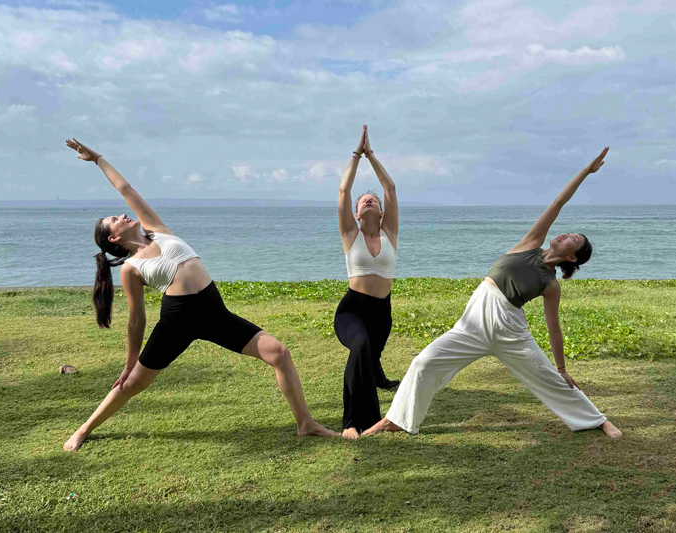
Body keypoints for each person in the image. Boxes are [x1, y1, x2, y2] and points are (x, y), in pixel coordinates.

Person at [62, 138, 337, 451]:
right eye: (115, 219)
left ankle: (306, 424)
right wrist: (130, 361)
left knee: (279, 353)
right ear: (113, 237)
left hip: (213, 313)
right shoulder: (130, 269)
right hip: (176, 322)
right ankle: (84, 430)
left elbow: (125, 188)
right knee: (133, 383)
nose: (122, 215)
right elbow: (137, 319)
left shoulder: (156, 228)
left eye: (119, 214)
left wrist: (98, 158)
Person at [364, 148, 622, 439]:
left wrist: (561, 366)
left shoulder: (551, 285)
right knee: (423, 363)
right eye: (569, 232)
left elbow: (554, 327)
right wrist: (585, 172)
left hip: (509, 329)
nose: (565, 235)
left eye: (572, 239)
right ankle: (397, 419)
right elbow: (559, 201)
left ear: (573, 257)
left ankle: (597, 420)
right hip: (473, 323)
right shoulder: (531, 243)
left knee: (548, 377)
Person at [334, 126, 400, 439]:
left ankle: (379, 381)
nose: (369, 201)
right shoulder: (351, 235)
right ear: (357, 214)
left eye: (373, 199)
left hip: (381, 314)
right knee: (359, 347)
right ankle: (352, 423)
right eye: (364, 201)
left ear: (382, 210)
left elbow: (391, 188)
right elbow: (343, 192)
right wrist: (356, 155)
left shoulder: (390, 235)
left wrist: (372, 155)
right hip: (351, 310)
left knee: (369, 359)